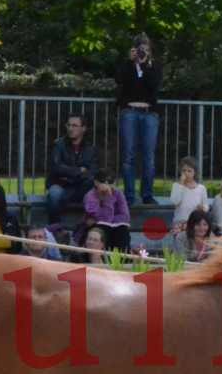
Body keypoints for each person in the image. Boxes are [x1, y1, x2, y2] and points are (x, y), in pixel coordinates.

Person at [115, 32, 163, 205]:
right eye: (139, 49)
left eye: (146, 49)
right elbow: (119, 80)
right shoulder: (127, 65)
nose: (142, 53)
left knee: (149, 156)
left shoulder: (155, 67)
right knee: (128, 156)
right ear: (134, 50)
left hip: (149, 113)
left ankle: (147, 194)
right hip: (130, 112)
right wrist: (131, 62)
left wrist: (145, 66)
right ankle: (129, 195)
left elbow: (153, 86)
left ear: (150, 50)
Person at [47, 114, 97, 224]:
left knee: (96, 192)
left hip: (80, 187)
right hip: (61, 185)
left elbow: (92, 172)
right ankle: (55, 228)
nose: (70, 128)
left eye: (74, 125)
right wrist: (79, 170)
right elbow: (56, 168)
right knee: (54, 193)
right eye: (69, 125)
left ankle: (89, 230)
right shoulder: (58, 145)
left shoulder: (90, 148)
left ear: (83, 128)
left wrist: (68, 171)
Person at [81, 169, 131, 252]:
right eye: (104, 182)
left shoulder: (118, 193)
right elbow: (103, 218)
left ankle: (123, 260)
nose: (107, 185)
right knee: (104, 230)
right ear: (96, 182)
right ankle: (104, 259)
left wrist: (114, 222)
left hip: (114, 225)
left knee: (122, 231)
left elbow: (125, 216)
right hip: (98, 227)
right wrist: (108, 198)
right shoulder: (90, 196)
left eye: (110, 182)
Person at [166, 155, 209, 230]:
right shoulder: (176, 186)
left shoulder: (201, 188)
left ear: (194, 172)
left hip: (196, 223)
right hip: (180, 222)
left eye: (189, 171)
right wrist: (181, 184)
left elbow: (206, 205)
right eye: (184, 170)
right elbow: (175, 202)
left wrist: (203, 208)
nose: (186, 173)